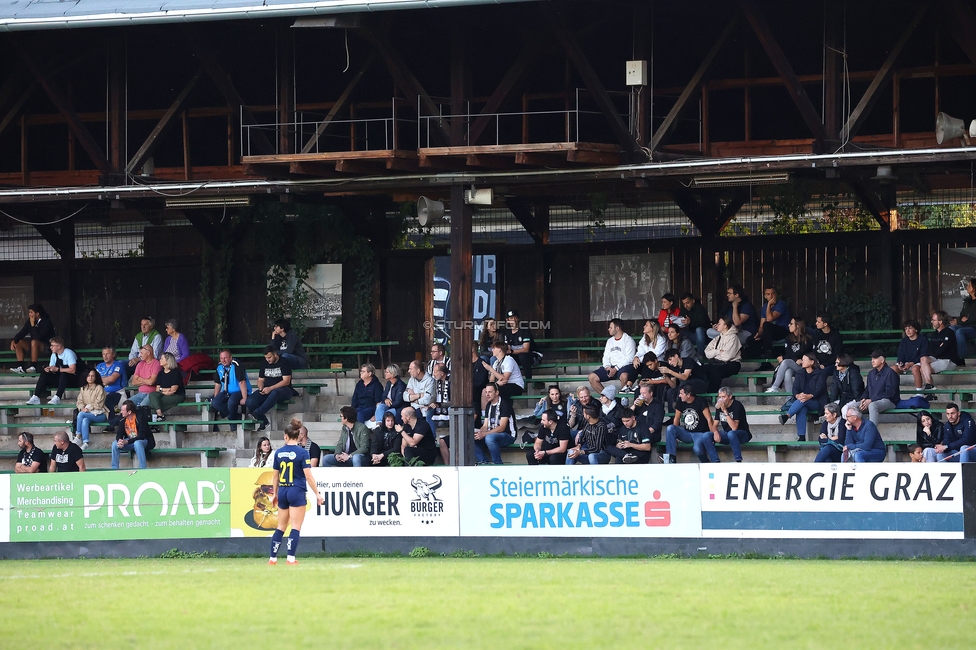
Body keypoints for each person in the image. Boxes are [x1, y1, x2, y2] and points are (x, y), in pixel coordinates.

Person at [268, 423, 324, 565]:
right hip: (296, 490)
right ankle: (290, 558)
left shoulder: (278, 453)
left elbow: (275, 476)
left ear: (286, 436)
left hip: (283, 490)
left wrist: (275, 493)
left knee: (280, 526)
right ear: (298, 436)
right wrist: (317, 493)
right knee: (295, 527)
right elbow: (308, 476)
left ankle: (272, 558)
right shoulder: (303, 452)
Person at [246, 346, 298, 431]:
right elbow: (260, 379)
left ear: (275, 354)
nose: (268, 360)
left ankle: (258, 413)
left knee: (275, 393)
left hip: (284, 389)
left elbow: (286, 381)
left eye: (269, 357)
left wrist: (271, 388)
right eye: (266, 358)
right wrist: (260, 387)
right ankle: (264, 421)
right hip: (267, 389)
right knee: (250, 401)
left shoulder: (284, 362)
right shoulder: (264, 363)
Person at [662, 385, 716, 464]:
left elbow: (709, 418)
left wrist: (713, 435)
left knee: (697, 449)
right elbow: (676, 418)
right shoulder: (681, 401)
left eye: (681, 393)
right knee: (670, 428)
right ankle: (671, 459)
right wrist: (675, 437)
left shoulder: (700, 401)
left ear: (688, 395)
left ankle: (705, 463)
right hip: (687, 433)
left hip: (700, 433)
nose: (679, 395)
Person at [781, 351, 827, 441]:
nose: (802, 362)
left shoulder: (821, 373)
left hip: (817, 401)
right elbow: (795, 388)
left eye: (805, 360)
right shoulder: (800, 373)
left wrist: (810, 396)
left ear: (812, 362)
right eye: (802, 360)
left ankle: (787, 415)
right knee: (801, 407)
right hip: (803, 401)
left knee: (802, 401)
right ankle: (801, 436)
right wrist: (797, 395)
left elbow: (820, 389)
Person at [26, 337, 79, 405]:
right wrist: (48, 369)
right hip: (60, 380)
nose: (51, 347)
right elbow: (52, 368)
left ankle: (57, 397)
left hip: (72, 380)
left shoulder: (69, 353)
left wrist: (58, 369)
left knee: (64, 373)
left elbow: (73, 370)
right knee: (45, 374)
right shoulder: (54, 355)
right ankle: (36, 396)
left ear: (59, 346)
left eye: (52, 345)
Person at [765, 317, 812, 394]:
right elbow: (789, 352)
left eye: (791, 323)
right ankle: (789, 398)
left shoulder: (807, 339)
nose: (788, 325)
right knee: (787, 373)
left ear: (798, 326)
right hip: (795, 364)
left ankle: (775, 386)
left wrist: (784, 357)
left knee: (785, 362)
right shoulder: (789, 338)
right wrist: (795, 359)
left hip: (804, 366)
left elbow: (800, 352)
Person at [474, 383, 517, 465]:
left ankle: (498, 464)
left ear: (497, 392)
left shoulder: (505, 404)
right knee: (469, 439)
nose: (487, 394)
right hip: (492, 434)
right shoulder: (488, 406)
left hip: (508, 435)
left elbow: (502, 427)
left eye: (490, 392)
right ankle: (484, 462)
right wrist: (480, 433)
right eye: (486, 392)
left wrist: (485, 434)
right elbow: (485, 426)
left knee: (489, 438)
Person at [590, 318, 637, 393]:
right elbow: (606, 356)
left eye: (611, 327)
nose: (608, 329)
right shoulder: (610, 341)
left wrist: (616, 368)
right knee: (592, 377)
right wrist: (607, 367)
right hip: (610, 367)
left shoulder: (628, 340)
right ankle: (607, 397)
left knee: (624, 376)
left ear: (617, 328)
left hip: (623, 366)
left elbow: (629, 358)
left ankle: (624, 398)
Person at [211, 350, 251, 432]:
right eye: (221, 358)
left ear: (230, 358)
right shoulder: (219, 367)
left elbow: (242, 382)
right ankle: (234, 415)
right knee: (215, 402)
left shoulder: (236, 365)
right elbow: (217, 384)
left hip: (239, 391)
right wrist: (216, 396)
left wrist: (244, 398)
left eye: (225, 358)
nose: (223, 360)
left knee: (231, 401)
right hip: (226, 392)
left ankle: (232, 423)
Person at [920, 310, 961, 390]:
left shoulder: (949, 332)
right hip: (936, 358)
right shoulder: (934, 334)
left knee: (923, 369)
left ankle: (930, 387)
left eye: (934, 320)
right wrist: (938, 347)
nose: (932, 322)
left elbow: (944, 348)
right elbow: (930, 349)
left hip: (948, 360)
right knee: (923, 359)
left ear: (940, 321)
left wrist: (938, 349)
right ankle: (929, 385)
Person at [857, 350, 899, 425]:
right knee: (851, 407)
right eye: (872, 359)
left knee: (872, 406)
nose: (872, 361)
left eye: (875, 359)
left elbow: (889, 393)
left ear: (882, 360)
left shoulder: (891, 373)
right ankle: (855, 433)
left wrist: (872, 400)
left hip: (889, 401)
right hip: (872, 400)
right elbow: (867, 389)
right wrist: (863, 399)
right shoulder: (871, 373)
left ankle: (872, 432)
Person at [10, 303, 55, 373]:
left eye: (31, 312)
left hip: (47, 348)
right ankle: (20, 367)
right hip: (33, 348)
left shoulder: (47, 322)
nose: (29, 314)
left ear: (37, 314)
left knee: (34, 341)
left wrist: (33, 325)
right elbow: (22, 332)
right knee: (19, 342)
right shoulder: (30, 321)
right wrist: (14, 340)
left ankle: (34, 366)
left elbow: (39, 337)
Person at [111, 400, 156, 469]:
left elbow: (141, 436)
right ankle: (114, 468)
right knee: (115, 444)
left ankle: (143, 468)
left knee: (137, 443)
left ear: (129, 412)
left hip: (144, 441)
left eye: (123, 410)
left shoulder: (140, 418)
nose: (121, 412)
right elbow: (119, 433)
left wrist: (127, 442)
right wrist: (120, 440)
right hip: (130, 441)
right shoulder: (122, 418)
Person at [661, 348, 708, 413]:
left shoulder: (688, 361)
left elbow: (685, 377)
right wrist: (666, 375)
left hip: (701, 384)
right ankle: (672, 417)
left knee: (684, 382)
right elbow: (673, 385)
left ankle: (678, 404)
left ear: (676, 356)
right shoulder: (673, 368)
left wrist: (669, 371)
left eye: (670, 359)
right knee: (670, 391)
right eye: (668, 361)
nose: (670, 363)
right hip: (686, 387)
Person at [713, 387, 752, 462]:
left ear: (730, 396)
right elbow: (714, 425)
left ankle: (738, 460)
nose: (721, 399)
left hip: (742, 433)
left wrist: (725, 411)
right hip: (727, 434)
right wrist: (715, 432)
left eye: (723, 397)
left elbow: (734, 427)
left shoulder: (737, 405)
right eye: (719, 397)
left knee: (731, 433)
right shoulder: (719, 407)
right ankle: (715, 461)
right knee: (707, 436)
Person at [703, 316, 742, 392]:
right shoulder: (718, 338)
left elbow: (727, 356)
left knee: (716, 371)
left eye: (719, 323)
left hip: (732, 364)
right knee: (701, 370)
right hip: (717, 362)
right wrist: (718, 351)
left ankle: (711, 394)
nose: (717, 325)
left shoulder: (733, 338)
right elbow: (707, 352)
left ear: (725, 326)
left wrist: (714, 353)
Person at [74, 369, 107, 450]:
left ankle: (78, 436)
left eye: (92, 376)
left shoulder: (99, 388)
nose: (90, 377)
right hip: (88, 414)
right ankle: (85, 442)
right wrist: (82, 407)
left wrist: (87, 408)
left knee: (81, 414)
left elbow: (99, 405)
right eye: (88, 375)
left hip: (100, 414)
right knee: (85, 420)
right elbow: (79, 402)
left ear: (95, 378)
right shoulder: (83, 388)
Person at [753, 286, 791, 357]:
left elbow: (770, 319)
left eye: (773, 293)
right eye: (768, 294)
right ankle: (765, 363)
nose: (771, 296)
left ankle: (768, 351)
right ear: (765, 296)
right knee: (751, 340)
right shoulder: (764, 307)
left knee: (767, 325)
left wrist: (769, 305)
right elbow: (761, 325)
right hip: (769, 333)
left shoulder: (781, 304)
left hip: (783, 331)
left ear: (776, 295)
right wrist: (759, 334)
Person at [147, 352, 185, 421]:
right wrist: (165, 391)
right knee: (152, 394)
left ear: (168, 361)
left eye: (162, 359)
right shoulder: (160, 374)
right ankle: (160, 415)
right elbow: (157, 389)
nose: (160, 360)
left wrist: (162, 390)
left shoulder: (175, 373)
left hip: (177, 395)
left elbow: (173, 391)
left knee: (152, 405)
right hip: (164, 394)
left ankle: (159, 417)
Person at [893, 319, 927, 392]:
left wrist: (912, 363)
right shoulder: (904, 341)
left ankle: (919, 392)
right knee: (893, 369)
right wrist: (900, 363)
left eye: (910, 328)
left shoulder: (923, 340)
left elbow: (924, 354)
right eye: (906, 329)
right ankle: (893, 390)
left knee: (915, 369)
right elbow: (900, 354)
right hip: (906, 363)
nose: (907, 331)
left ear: (916, 329)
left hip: (918, 362)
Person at [632, 319, 668, 385]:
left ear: (652, 328)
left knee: (647, 365)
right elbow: (640, 351)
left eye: (646, 325)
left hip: (656, 363)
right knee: (634, 365)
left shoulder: (661, 339)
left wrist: (639, 359)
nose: (644, 326)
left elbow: (654, 355)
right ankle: (628, 385)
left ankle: (642, 385)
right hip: (645, 362)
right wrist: (636, 358)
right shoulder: (644, 338)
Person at [405, 359, 436, 430]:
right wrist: (418, 395)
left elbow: (427, 400)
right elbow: (404, 396)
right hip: (414, 407)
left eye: (410, 369)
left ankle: (432, 439)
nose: (408, 371)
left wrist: (413, 399)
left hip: (425, 407)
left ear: (418, 371)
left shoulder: (429, 380)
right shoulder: (411, 379)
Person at [502, 309, 534, 380]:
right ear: (507, 320)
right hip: (514, 357)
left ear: (518, 319)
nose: (513, 320)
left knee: (522, 356)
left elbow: (526, 349)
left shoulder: (524, 330)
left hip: (530, 356)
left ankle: (529, 380)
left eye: (515, 317)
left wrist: (512, 351)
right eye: (511, 318)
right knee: (504, 357)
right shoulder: (506, 331)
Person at [950, 277, 976, 360]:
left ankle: (961, 358)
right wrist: (958, 320)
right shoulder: (967, 301)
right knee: (951, 329)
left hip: (974, 328)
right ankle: (950, 355)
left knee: (959, 331)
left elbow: (973, 318)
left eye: (970, 285)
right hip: (964, 325)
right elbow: (962, 315)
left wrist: (960, 322)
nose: (967, 287)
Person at [632, 383, 664, 447]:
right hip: (638, 432)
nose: (642, 395)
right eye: (641, 393)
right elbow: (628, 416)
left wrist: (644, 433)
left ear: (651, 393)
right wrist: (634, 405)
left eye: (644, 393)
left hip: (652, 434)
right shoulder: (639, 405)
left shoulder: (658, 406)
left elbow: (657, 424)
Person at [96, 347, 127, 412]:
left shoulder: (118, 365)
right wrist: (105, 381)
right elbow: (95, 379)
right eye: (103, 354)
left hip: (118, 393)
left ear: (113, 355)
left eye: (107, 354)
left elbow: (112, 379)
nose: (105, 356)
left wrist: (101, 380)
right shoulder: (99, 366)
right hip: (102, 393)